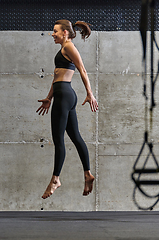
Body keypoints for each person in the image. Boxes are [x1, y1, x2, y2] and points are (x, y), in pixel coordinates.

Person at [36, 20, 98, 199]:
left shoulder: (69, 47)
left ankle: (55, 179)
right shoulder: (64, 49)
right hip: (64, 93)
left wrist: (90, 93)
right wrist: (49, 97)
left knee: (58, 140)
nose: (52, 34)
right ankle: (87, 174)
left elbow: (83, 70)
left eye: (55, 31)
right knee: (76, 136)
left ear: (65, 32)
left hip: (64, 96)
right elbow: (57, 76)